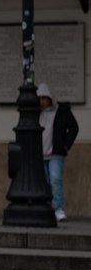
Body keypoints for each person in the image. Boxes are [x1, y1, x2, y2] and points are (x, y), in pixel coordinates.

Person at [37, 81, 79, 221]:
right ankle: (48, 208)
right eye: (39, 99)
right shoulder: (36, 113)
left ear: (49, 97)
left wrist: (66, 144)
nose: (42, 102)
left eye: (44, 98)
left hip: (56, 153)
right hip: (41, 154)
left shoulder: (62, 110)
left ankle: (59, 209)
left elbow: (74, 128)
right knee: (46, 182)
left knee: (55, 179)